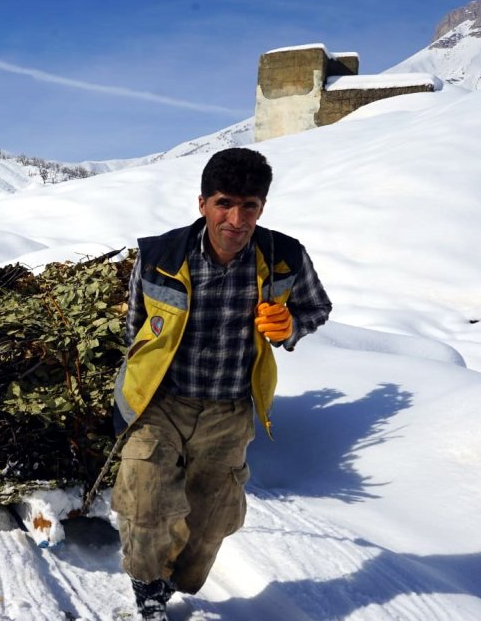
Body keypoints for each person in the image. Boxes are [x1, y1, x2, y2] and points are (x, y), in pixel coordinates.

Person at [111, 148, 331, 620]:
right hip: (161, 402)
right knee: (145, 501)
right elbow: (135, 330)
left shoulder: (284, 257)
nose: (236, 219)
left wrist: (288, 325)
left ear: (262, 208)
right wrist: (135, 395)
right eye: (224, 203)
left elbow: (317, 309)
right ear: (203, 204)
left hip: (228, 410)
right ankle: (148, 588)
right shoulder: (160, 256)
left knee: (211, 520)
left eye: (249, 206)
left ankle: (176, 580)